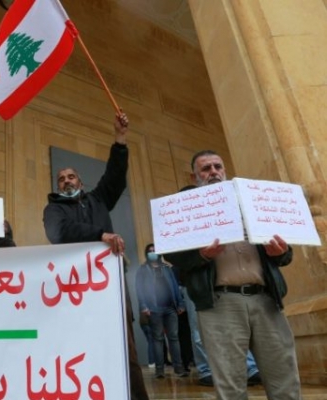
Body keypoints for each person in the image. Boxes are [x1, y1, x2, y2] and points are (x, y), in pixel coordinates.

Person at [168, 150, 301, 399]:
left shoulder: (254, 202)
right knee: (230, 385)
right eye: (206, 168)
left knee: (284, 378)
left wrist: (280, 253)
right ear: (194, 176)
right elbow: (172, 255)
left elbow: (286, 254)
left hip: (266, 300)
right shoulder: (186, 209)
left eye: (217, 166)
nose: (213, 172)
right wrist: (202, 255)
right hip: (220, 304)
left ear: (225, 171)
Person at [43, 112, 150, 400]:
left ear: (80, 181)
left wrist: (120, 139)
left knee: (126, 348)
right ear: (57, 186)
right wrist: (100, 235)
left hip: (111, 285)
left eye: (71, 176)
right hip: (76, 289)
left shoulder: (98, 199)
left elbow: (114, 176)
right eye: (61, 179)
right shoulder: (53, 209)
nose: (66, 181)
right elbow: (58, 232)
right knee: (83, 348)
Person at [175, 184, 263, 387]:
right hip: (194, 284)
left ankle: (249, 368)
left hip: (217, 283)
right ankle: (206, 370)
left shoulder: (216, 219)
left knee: (237, 329)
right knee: (199, 331)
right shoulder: (181, 226)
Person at [136, 244, 188, 379]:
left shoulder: (166, 268)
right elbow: (139, 290)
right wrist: (143, 306)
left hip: (170, 308)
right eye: (150, 251)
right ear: (146, 254)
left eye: (154, 251)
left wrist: (180, 303)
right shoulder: (143, 270)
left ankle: (179, 368)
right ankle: (159, 371)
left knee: (174, 338)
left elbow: (174, 286)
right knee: (158, 339)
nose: (152, 253)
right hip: (154, 309)